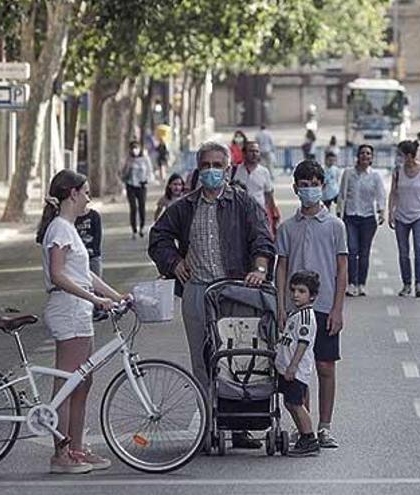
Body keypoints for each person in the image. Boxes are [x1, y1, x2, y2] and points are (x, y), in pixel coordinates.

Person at [148, 141, 275, 450]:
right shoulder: (184, 206)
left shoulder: (243, 203)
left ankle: (240, 427)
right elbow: (158, 238)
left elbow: (263, 238)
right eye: (205, 166)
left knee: (237, 358)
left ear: (228, 170)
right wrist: (174, 262)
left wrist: (259, 267)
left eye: (217, 166)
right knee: (202, 363)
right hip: (196, 292)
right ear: (198, 170)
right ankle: (207, 428)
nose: (211, 171)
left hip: (235, 294)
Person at [36, 170, 128, 474]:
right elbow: (59, 274)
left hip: (79, 311)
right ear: (72, 194)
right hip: (68, 310)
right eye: (86, 191)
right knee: (67, 382)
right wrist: (95, 300)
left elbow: (84, 274)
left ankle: (76, 446)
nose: (89, 197)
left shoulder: (69, 228)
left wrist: (115, 296)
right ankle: (61, 454)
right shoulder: (59, 229)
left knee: (82, 381)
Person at [276, 159, 348, 449]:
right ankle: (302, 425)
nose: (309, 190)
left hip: (325, 306)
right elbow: (281, 267)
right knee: (298, 370)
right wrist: (281, 306)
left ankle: (325, 426)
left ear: (323, 186)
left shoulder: (335, 225)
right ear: (295, 188)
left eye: (314, 185)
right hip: (294, 311)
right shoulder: (287, 227)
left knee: (325, 366)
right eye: (304, 186)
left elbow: (342, 268)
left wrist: (338, 308)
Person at [276, 271, 322, 457]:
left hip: (295, 370)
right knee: (290, 402)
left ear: (312, 296)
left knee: (296, 403)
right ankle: (304, 435)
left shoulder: (306, 317)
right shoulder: (296, 313)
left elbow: (303, 343)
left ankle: (309, 438)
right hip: (287, 367)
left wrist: (293, 366)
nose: (296, 294)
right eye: (293, 290)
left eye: (301, 291)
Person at [388, 140, 420, 298]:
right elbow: (393, 192)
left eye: (401, 155)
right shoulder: (397, 171)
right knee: (403, 252)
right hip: (401, 215)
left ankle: (419, 283)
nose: (399, 158)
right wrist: (390, 212)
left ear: (409, 155)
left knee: (419, 249)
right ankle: (407, 283)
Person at [338, 144, 387, 297]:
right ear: (358, 156)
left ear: (371, 158)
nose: (365, 156)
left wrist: (381, 211)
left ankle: (361, 283)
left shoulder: (375, 176)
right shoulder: (348, 173)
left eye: (368, 154)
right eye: (363, 153)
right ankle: (352, 283)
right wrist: (340, 213)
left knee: (364, 252)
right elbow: (342, 194)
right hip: (351, 216)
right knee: (352, 250)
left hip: (368, 219)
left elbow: (381, 195)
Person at [233, 141, 280, 235]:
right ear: (244, 153)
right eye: (251, 151)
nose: (254, 154)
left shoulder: (264, 172)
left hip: (259, 217)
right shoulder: (234, 171)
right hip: (238, 217)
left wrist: (273, 213)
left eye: (257, 151)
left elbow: (269, 195)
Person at [120, 140, 153, 240]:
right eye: (133, 148)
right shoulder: (128, 159)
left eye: (136, 148)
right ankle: (134, 230)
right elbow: (123, 173)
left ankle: (142, 228)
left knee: (142, 207)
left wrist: (146, 180)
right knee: (133, 208)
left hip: (142, 186)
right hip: (130, 185)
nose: (135, 150)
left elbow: (149, 171)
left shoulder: (145, 159)